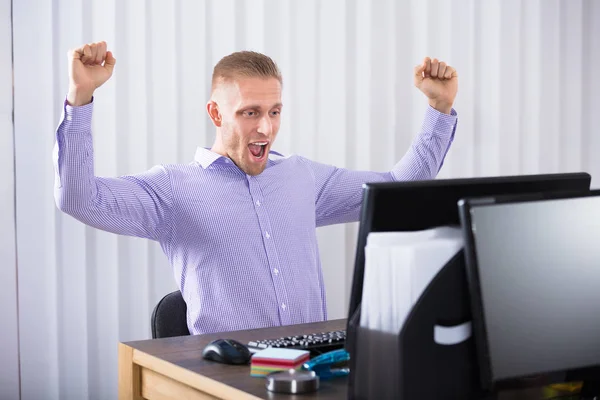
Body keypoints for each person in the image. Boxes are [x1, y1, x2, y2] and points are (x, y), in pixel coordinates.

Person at [54, 41, 459, 335]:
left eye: (274, 111)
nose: (265, 127)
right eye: (250, 113)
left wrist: (439, 110)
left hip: (311, 369)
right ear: (216, 113)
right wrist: (81, 97)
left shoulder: (303, 177)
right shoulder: (173, 189)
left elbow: (395, 188)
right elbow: (79, 199)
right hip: (226, 379)